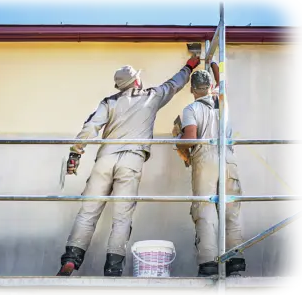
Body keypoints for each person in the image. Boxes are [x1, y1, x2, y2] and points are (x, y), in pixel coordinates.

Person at [56, 56, 201, 277]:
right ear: (136, 81)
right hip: (132, 161)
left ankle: (71, 260)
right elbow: (174, 84)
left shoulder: (109, 102)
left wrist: (76, 152)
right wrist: (190, 66)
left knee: (87, 213)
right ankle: (113, 268)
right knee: (122, 217)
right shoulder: (151, 97)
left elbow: (90, 127)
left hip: (105, 159)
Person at [177, 67, 246, 277]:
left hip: (205, 157)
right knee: (230, 208)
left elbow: (191, 139)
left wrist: (178, 143)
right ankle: (235, 261)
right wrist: (215, 63)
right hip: (227, 155)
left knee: (205, 208)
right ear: (211, 87)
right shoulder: (223, 103)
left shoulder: (191, 109)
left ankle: (208, 263)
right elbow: (222, 80)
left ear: (192, 89)